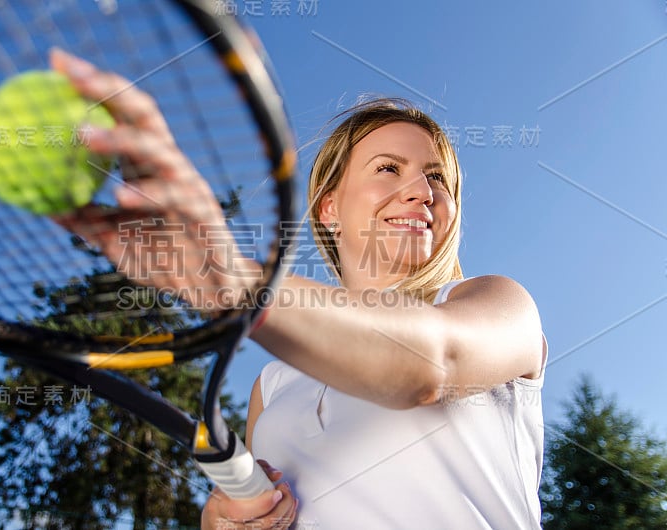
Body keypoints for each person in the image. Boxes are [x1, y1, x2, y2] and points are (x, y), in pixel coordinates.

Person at [51, 48, 547, 530]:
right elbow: (270, 514)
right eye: (388, 168)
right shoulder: (272, 385)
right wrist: (226, 522)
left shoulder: (498, 304)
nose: (423, 191)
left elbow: (429, 364)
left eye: (438, 177)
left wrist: (234, 279)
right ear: (328, 207)